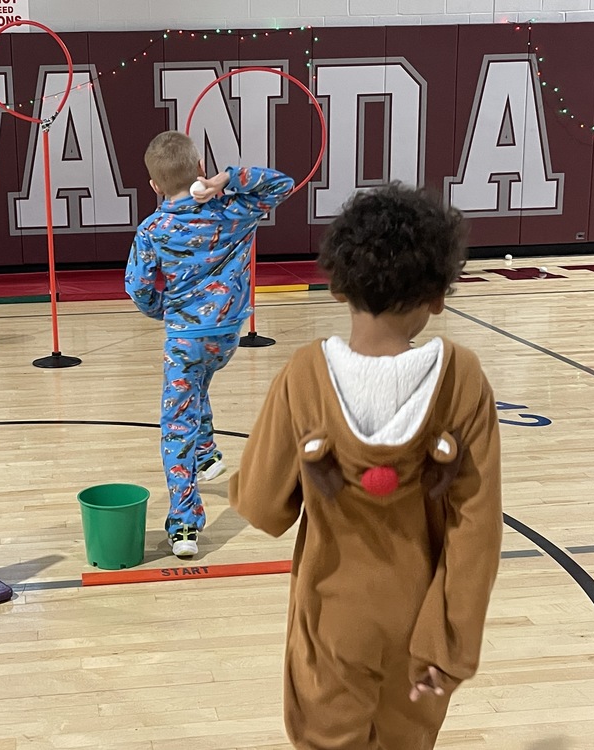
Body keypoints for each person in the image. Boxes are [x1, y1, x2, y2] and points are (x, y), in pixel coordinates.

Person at [228, 182, 503, 749]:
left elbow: (262, 508)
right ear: (437, 297)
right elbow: (477, 529)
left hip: (332, 617)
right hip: (419, 618)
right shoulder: (464, 379)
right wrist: (450, 644)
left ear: (336, 285)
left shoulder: (304, 375)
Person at [125, 130, 294, 558]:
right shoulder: (235, 210)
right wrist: (229, 178)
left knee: (174, 423)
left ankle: (184, 526)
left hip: (185, 337)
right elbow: (281, 183)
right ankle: (207, 453)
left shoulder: (153, 230)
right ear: (200, 169)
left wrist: (162, 310)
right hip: (227, 336)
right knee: (197, 382)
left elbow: (139, 288)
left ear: (154, 186)